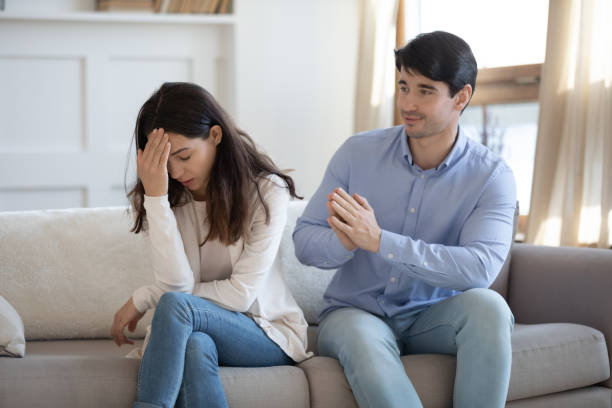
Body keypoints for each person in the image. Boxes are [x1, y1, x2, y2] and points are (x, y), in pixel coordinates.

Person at [293, 31, 516, 408]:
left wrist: (381, 241)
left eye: (425, 91)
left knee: (490, 309)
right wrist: (343, 242)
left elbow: (479, 269)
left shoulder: (491, 176)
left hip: (433, 316)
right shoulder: (357, 154)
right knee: (362, 340)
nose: (408, 103)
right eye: (403, 86)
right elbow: (304, 240)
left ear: (461, 97)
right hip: (354, 313)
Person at [110, 82, 312, 408]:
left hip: (266, 333)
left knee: (176, 306)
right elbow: (177, 285)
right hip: (198, 329)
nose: (174, 172)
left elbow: (240, 295)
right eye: (163, 162)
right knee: (195, 345)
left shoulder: (265, 192)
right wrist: (157, 199)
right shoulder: (161, 196)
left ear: (215, 136)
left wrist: (148, 296)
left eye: (183, 156)